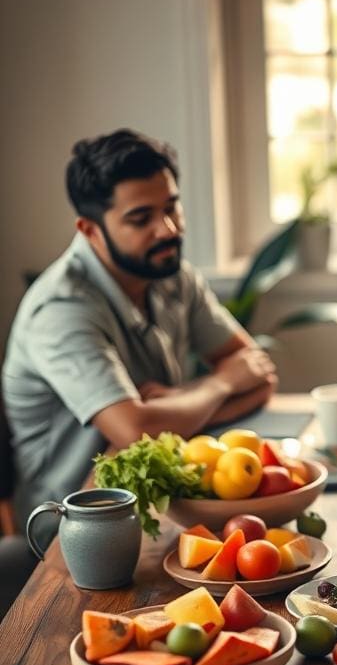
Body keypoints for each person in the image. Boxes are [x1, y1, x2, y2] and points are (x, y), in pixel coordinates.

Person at [3, 129, 277, 541]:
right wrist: (220, 383)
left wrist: (181, 406)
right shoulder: (60, 311)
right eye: (140, 218)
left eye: (172, 208)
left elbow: (259, 375)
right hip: (70, 538)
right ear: (89, 229)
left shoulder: (168, 270)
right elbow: (134, 431)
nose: (167, 229)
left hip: (162, 506)